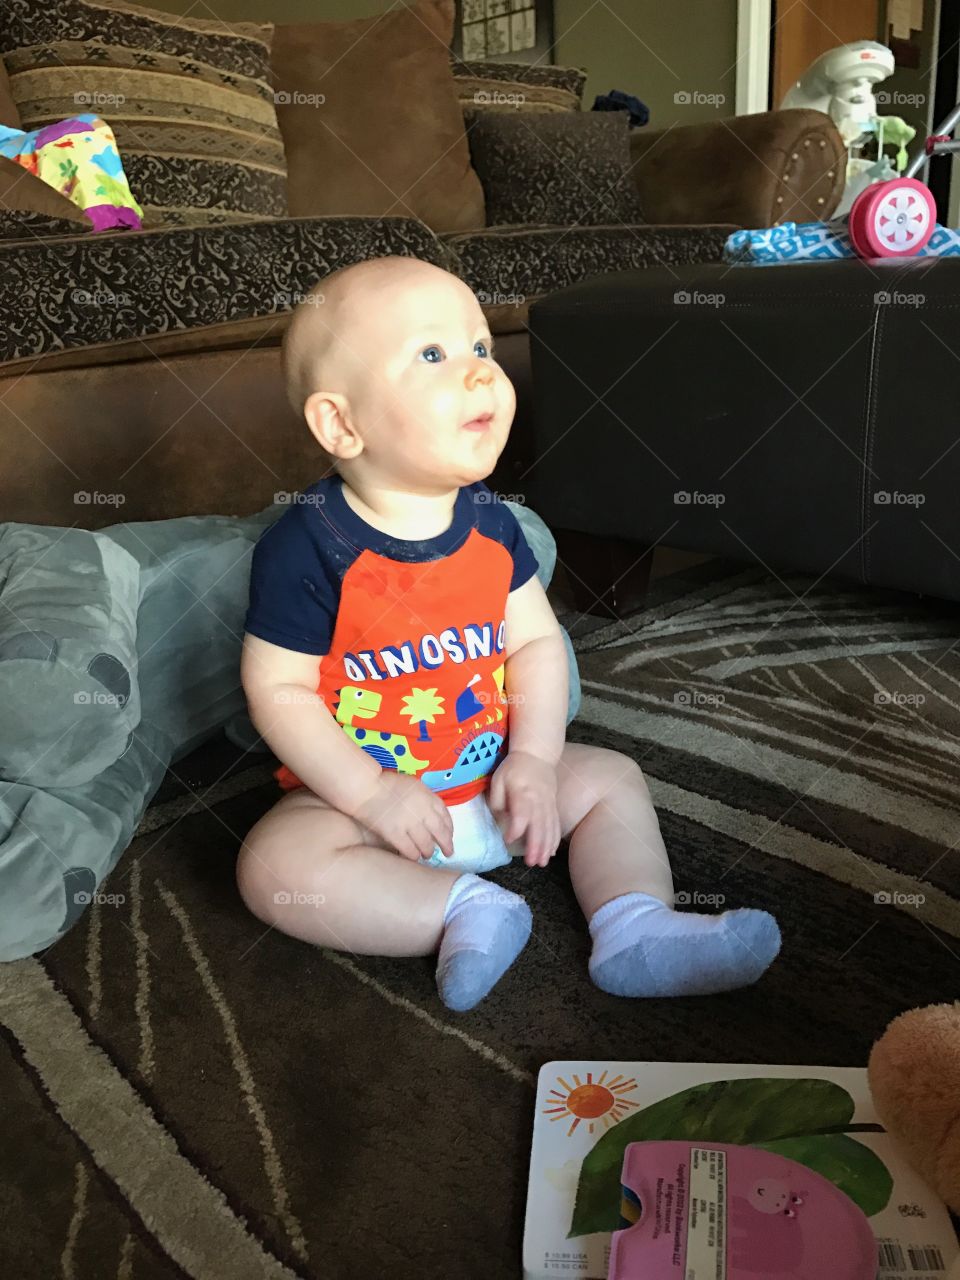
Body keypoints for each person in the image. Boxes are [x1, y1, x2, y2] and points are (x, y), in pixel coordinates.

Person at [236, 255, 781, 1012]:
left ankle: (635, 924)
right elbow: (278, 687)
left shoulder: (493, 524)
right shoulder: (310, 545)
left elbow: (534, 643)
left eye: (482, 349)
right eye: (433, 354)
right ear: (341, 422)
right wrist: (370, 796)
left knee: (614, 778)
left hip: (499, 786)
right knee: (273, 863)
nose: (479, 372)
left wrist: (535, 757)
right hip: (375, 812)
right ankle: (461, 911)